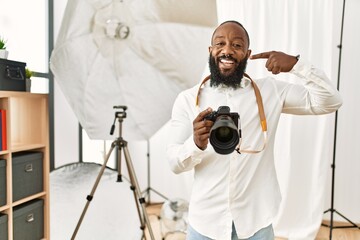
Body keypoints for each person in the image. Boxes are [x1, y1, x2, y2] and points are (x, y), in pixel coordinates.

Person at [166, 20, 342, 240]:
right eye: (220, 43)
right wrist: (195, 143)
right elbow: (174, 163)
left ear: (247, 53)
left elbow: (330, 101)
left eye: (237, 45)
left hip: (255, 224)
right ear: (210, 51)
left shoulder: (270, 91)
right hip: (205, 224)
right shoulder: (188, 100)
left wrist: (297, 65)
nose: (227, 50)